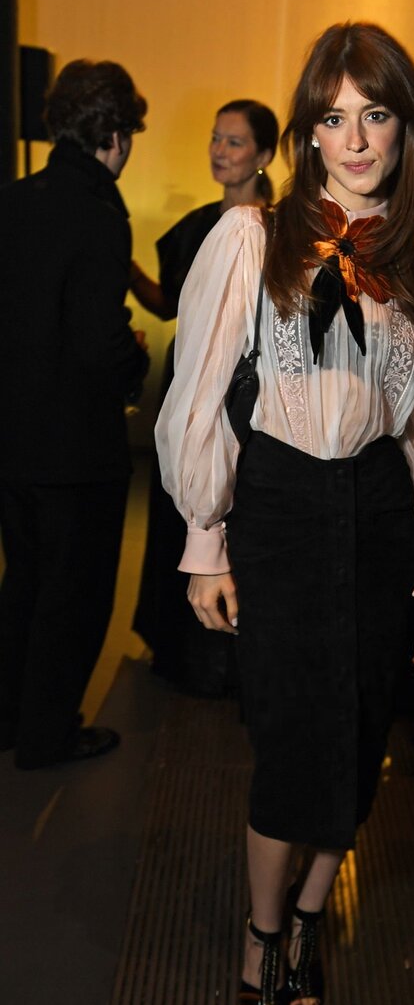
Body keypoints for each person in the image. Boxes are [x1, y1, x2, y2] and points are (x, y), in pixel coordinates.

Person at [156, 21, 414, 1005]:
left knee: (361, 734)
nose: (356, 140)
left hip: (379, 517)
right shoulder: (251, 239)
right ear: (306, 132)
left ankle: (307, 917)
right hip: (283, 514)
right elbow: (199, 393)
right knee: (291, 742)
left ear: (405, 128)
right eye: (334, 119)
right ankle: (261, 935)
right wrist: (204, 538)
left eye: (375, 115)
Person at [0, 60, 149, 769]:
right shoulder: (99, 215)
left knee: (23, 586)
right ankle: (48, 736)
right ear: (114, 135)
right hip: (76, 448)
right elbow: (96, 341)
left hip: (13, 438)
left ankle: (9, 720)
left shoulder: (12, 200)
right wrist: (134, 363)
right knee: (76, 598)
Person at [130, 100, 278, 694]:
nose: (219, 150)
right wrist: (124, 268)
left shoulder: (279, 231)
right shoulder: (195, 227)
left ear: (264, 154)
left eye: (234, 142)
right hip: (189, 379)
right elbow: (169, 305)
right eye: (216, 138)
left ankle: (236, 657)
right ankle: (182, 650)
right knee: (185, 507)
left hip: (248, 397)